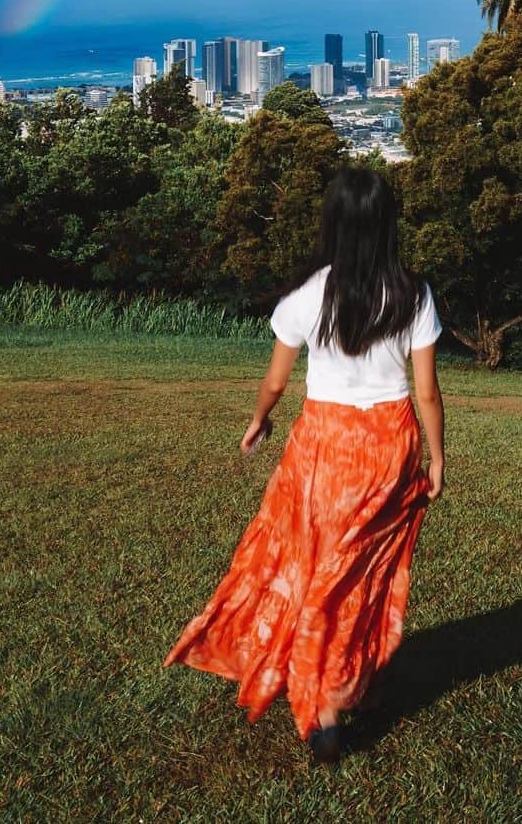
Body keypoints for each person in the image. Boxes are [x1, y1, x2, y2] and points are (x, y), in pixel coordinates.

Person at [163, 167, 445, 764]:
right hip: (388, 448)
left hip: (322, 445)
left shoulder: (306, 295)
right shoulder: (414, 294)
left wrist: (260, 418)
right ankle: (336, 688)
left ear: (332, 224)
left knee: (309, 564)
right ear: (389, 224)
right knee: (355, 573)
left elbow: (274, 380)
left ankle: (325, 701)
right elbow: (426, 393)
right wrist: (438, 456)